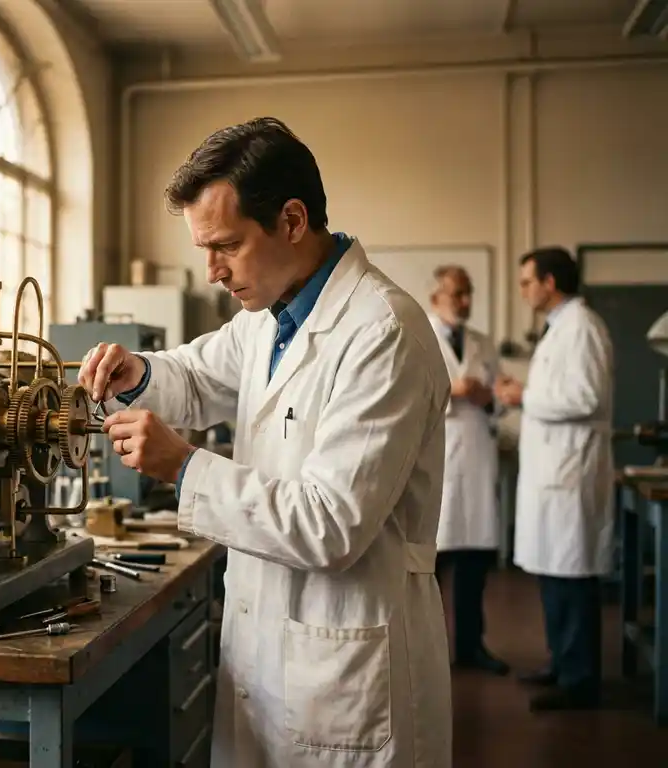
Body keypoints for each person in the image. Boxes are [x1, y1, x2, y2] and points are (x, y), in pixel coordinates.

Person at [80, 117, 453, 768]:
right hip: (272, 653)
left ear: (290, 220)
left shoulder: (382, 332)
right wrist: (136, 373)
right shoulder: (267, 318)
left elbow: (331, 525)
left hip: (347, 668)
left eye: (225, 245)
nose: (212, 271)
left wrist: (186, 468)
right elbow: (196, 376)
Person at [494, 247, 614, 711]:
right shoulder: (561, 329)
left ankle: (580, 680)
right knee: (553, 574)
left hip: (572, 473)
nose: (523, 291)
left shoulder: (583, 327)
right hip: (554, 473)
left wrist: (525, 394)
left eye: (527, 282)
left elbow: (584, 397)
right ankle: (562, 665)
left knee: (572, 578)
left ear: (549, 282)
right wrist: (524, 395)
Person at [426, 265, 510, 676]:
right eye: (456, 293)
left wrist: (488, 398)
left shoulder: (483, 342)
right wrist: (452, 391)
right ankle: (428, 653)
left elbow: (500, 399)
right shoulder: (416, 337)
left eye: (468, 293)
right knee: (430, 566)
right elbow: (407, 396)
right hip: (436, 457)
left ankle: (471, 646)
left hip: (475, 455)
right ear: (435, 297)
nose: (464, 301)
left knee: (475, 562)